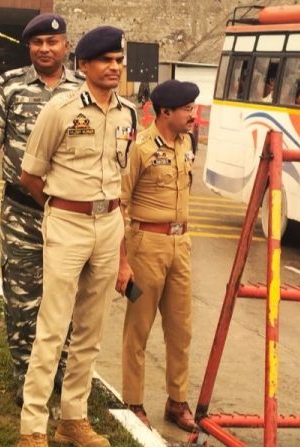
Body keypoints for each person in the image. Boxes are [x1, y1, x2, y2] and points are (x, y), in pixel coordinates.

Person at [16, 25, 136, 447]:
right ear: (83, 65)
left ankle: (73, 419)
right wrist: (61, 207)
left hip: (109, 224)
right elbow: (30, 174)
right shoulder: (61, 109)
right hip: (67, 222)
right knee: (52, 327)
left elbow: (120, 183)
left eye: (118, 61)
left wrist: (122, 252)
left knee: (90, 330)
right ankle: (33, 427)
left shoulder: (128, 113)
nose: (114, 67)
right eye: (105, 60)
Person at [0, 12, 82, 407]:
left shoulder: (83, 89)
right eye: (37, 42)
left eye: (52, 42)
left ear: (65, 45)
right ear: (29, 47)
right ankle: (25, 374)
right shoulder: (11, 84)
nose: (45, 48)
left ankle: (59, 372)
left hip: (69, 213)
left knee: (67, 295)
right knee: (22, 297)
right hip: (21, 212)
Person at [119, 79, 199, 431]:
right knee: (138, 329)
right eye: (187, 109)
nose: (193, 115)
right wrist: (122, 260)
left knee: (181, 329)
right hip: (146, 245)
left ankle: (176, 400)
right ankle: (133, 402)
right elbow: (120, 204)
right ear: (166, 112)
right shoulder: (139, 148)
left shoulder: (187, 143)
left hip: (180, 245)